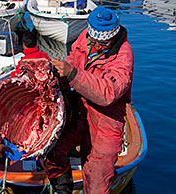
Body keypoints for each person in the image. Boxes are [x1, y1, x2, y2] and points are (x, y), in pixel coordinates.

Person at [47, 5, 134, 194]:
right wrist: (60, 74)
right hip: (79, 113)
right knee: (53, 151)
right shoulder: (86, 36)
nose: (97, 45)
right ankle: (63, 190)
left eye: (103, 43)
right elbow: (73, 58)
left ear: (113, 36)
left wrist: (73, 75)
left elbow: (108, 93)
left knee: (96, 180)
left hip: (106, 123)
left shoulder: (123, 56)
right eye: (94, 40)